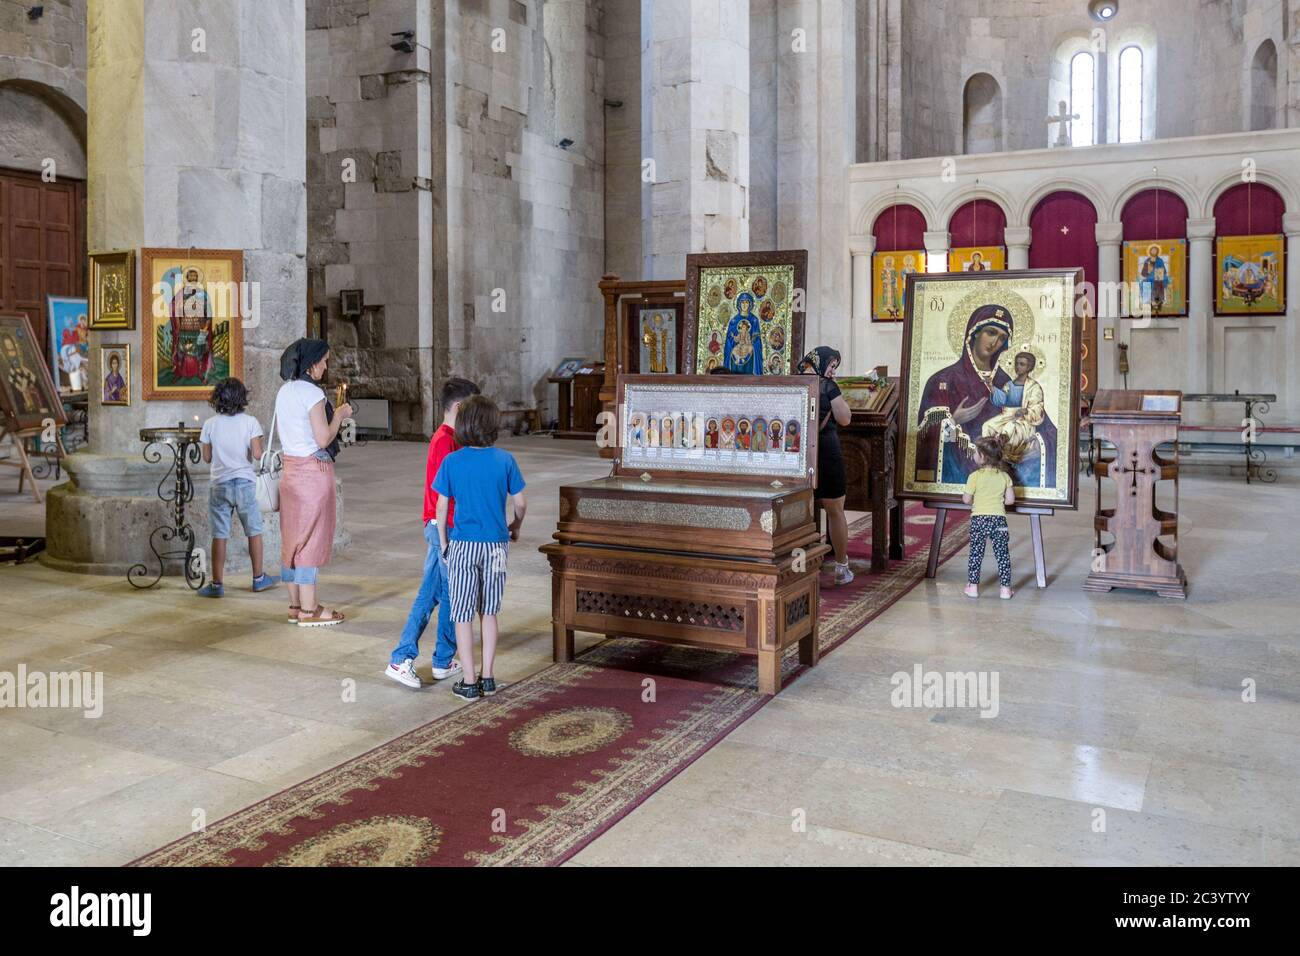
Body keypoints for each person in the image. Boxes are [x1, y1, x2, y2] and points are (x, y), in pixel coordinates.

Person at [386, 378, 479, 689]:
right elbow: (445, 495)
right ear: (458, 407)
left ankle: (438, 660)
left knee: (437, 594)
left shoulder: (452, 438)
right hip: (444, 528)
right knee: (443, 594)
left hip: (445, 528)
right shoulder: (443, 440)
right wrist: (448, 537)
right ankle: (407, 658)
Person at [432, 395, 527, 700]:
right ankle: (488, 677)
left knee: (462, 614)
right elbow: (521, 503)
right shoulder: (504, 460)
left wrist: (444, 543)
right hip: (496, 546)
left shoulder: (452, 461)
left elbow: (442, 508)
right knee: (489, 611)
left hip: (463, 546)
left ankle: (469, 682)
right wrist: (515, 525)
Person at [275, 338, 352, 626]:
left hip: (290, 472)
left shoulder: (284, 391)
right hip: (313, 473)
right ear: (311, 363)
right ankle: (310, 611)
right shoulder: (312, 393)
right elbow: (323, 438)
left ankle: (296, 606)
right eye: (324, 361)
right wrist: (341, 415)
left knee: (292, 540)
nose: (326, 366)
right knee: (311, 540)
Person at [196, 378, 277, 598]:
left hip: (220, 484)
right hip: (244, 483)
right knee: (254, 531)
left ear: (218, 398)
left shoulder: (210, 424)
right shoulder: (250, 422)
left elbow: (206, 457)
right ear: (242, 398)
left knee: (219, 534)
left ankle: (217, 584)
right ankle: (258, 578)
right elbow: (258, 454)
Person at [799, 347, 854, 586]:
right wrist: (834, 387)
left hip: (800, 454)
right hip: (826, 452)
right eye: (832, 366)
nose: (832, 371)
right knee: (835, 510)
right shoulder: (828, 387)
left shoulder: (795, 382)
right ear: (821, 363)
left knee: (801, 511)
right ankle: (841, 567)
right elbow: (845, 418)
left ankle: (799, 567)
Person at [961, 434, 1016, 600]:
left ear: (983, 456)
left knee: (976, 553)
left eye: (975, 453)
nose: (974, 455)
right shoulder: (1005, 477)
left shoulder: (974, 477)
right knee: (1002, 554)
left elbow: (966, 499)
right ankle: (1005, 589)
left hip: (979, 520)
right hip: (998, 519)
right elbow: (1010, 501)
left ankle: (973, 587)